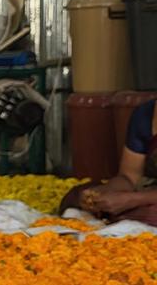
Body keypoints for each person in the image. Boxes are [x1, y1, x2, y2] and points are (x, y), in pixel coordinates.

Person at [59, 97, 157, 227]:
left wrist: (133, 200)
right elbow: (129, 177)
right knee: (75, 196)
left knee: (150, 214)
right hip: (148, 190)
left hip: (148, 201)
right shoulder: (145, 114)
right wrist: (101, 193)